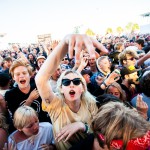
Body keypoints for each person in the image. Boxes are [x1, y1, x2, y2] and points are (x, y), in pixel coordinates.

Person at [35, 34, 102, 150]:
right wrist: (65, 42)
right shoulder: (55, 105)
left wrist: (82, 126)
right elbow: (40, 79)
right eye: (66, 82)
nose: (71, 84)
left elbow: (99, 133)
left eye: (76, 81)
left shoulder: (91, 102)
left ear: (82, 88)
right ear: (61, 88)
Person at [5, 59, 51, 133]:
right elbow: (18, 119)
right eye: (17, 74)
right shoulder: (10, 95)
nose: (21, 76)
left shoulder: (38, 86)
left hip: (45, 127)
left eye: (24, 73)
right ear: (13, 77)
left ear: (29, 75)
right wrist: (30, 99)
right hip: (26, 133)